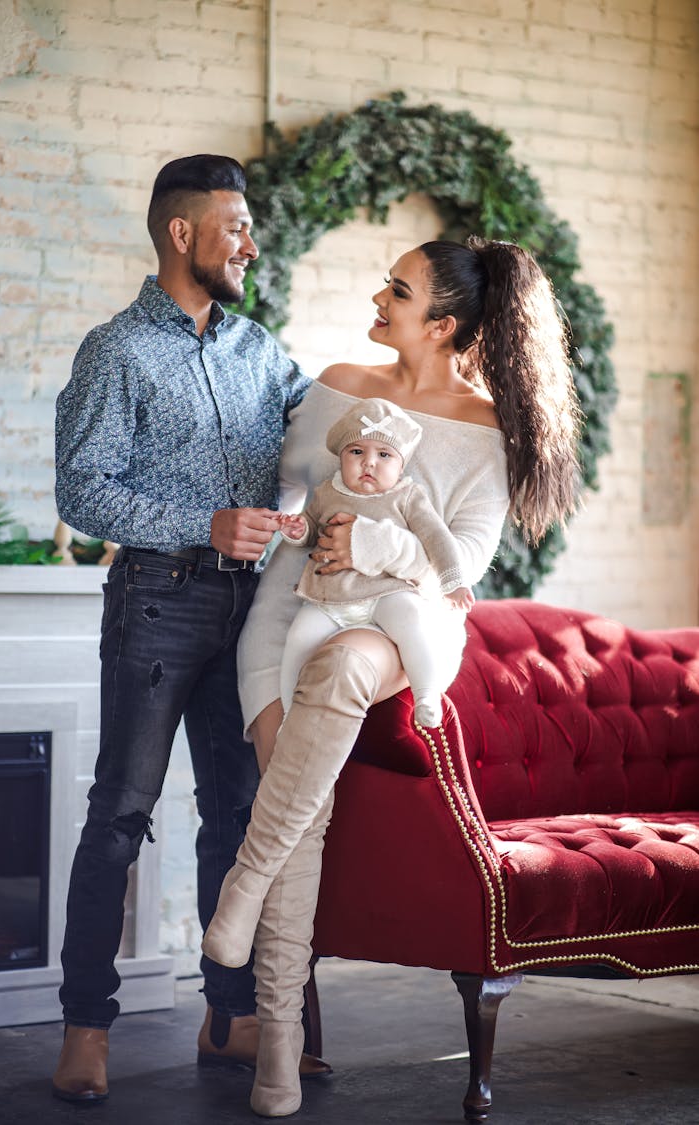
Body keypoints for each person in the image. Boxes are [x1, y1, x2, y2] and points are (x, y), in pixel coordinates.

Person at [203, 236, 582, 1117]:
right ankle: (279, 1056)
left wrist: (369, 542)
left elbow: (462, 570)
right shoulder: (335, 384)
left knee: (341, 670)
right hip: (296, 612)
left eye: (399, 290)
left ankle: (242, 884)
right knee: (301, 800)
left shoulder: (487, 428)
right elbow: (287, 515)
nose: (379, 297)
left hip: (405, 630)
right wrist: (280, 559)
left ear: (442, 323)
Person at [51, 154, 331, 1103]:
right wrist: (200, 522)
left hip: (255, 611)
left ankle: (230, 1017)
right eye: (235, 226)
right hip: (156, 603)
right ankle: (86, 1025)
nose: (252, 243)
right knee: (120, 817)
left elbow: (321, 441)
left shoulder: (263, 351)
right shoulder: (116, 350)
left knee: (240, 818)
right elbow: (82, 489)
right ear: (183, 234)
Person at [276, 396, 475, 727]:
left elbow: (438, 539)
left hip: (386, 592)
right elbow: (311, 529)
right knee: (298, 641)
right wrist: (298, 530)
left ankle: (427, 695)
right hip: (329, 597)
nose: (369, 463)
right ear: (341, 458)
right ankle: (288, 714)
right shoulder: (328, 492)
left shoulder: (407, 496)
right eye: (357, 452)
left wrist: (454, 582)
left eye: (384, 455)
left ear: (401, 465)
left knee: (412, 620)